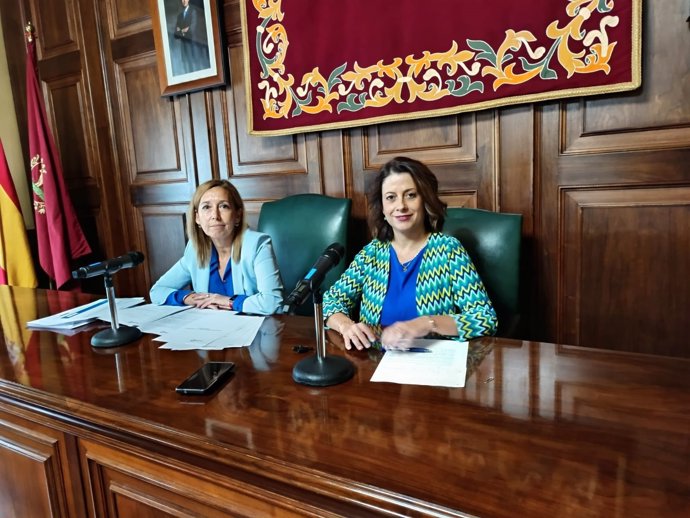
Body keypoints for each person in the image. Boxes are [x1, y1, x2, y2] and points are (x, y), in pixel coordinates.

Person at [323, 156, 497, 350]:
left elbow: (485, 318)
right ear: (382, 208)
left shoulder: (448, 250)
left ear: (425, 200)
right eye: (391, 197)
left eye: (411, 195)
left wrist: (426, 323)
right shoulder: (371, 253)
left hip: (433, 368)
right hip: (376, 365)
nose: (401, 206)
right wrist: (345, 325)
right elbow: (331, 300)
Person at [150, 179, 283, 315]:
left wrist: (229, 301)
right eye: (206, 207)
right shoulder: (195, 250)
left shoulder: (257, 245)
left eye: (224, 206)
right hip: (209, 331)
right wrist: (188, 298)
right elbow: (158, 291)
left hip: (253, 330)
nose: (215, 216)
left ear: (237, 215)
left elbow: (273, 302)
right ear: (197, 218)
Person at [173, 0, 210, 75]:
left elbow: (192, 29)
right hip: (184, 48)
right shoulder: (179, 16)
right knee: (188, 70)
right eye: (182, 0)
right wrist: (184, 30)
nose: (183, 1)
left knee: (198, 68)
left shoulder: (193, 12)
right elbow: (175, 34)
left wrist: (181, 31)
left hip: (193, 45)